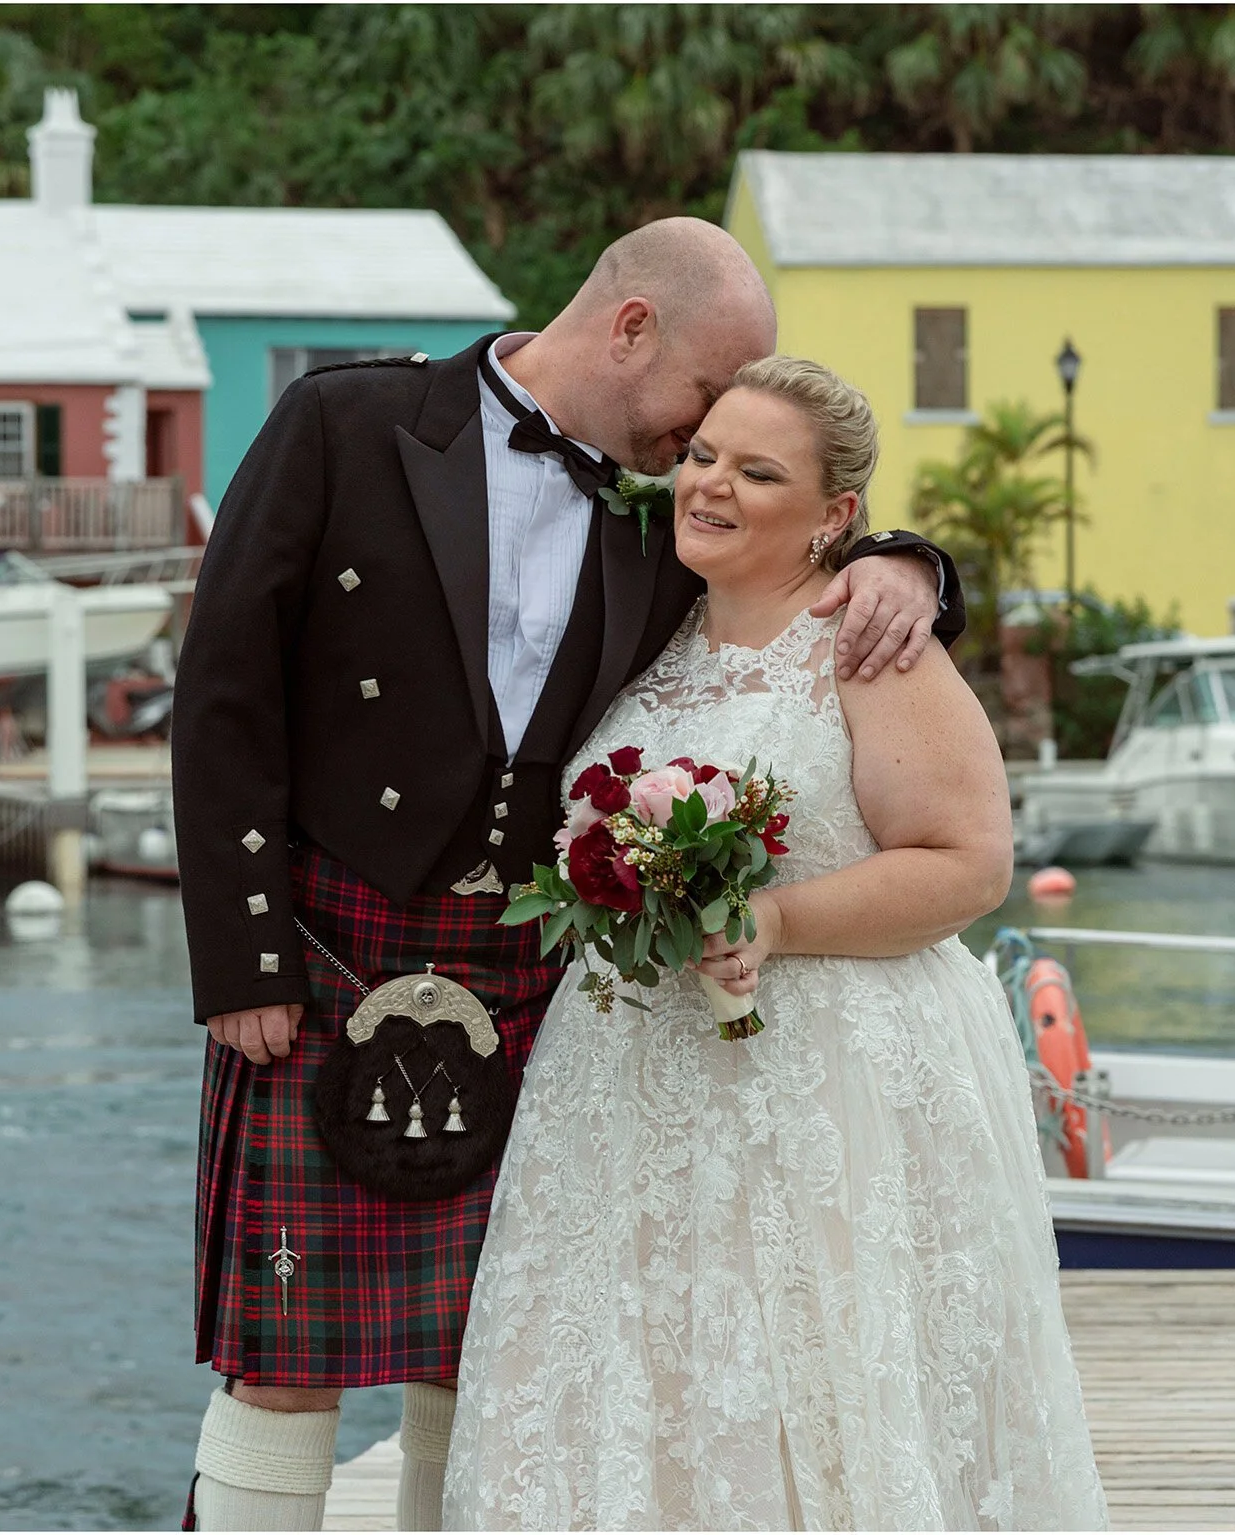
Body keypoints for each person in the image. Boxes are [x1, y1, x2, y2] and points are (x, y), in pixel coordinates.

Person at [171, 221, 965, 1532]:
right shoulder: (348, 424)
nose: (717, 434)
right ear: (633, 326)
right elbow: (224, 692)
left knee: (486, 1340)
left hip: (531, 965)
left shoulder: (676, 510)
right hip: (326, 942)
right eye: (709, 394)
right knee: (284, 1343)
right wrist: (238, 957)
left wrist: (909, 561)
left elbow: (802, 548)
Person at [442, 357, 1108, 1530]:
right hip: (632, 1088)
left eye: (758, 472)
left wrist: (779, 916)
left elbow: (967, 863)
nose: (710, 486)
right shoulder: (645, 621)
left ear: (834, 514)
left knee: (822, 1378)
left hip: (828, 1084)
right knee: (647, 1382)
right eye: (702, 456)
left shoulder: (868, 642)